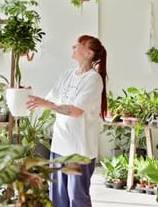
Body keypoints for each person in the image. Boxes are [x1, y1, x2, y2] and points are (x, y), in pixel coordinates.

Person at [26, 35, 108, 207]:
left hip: (79, 149)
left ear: (88, 53)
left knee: (76, 197)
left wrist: (47, 104)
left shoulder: (93, 79)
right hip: (59, 146)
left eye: (77, 45)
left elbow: (75, 111)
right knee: (58, 197)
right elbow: (50, 100)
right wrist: (30, 96)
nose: (73, 47)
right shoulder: (67, 75)